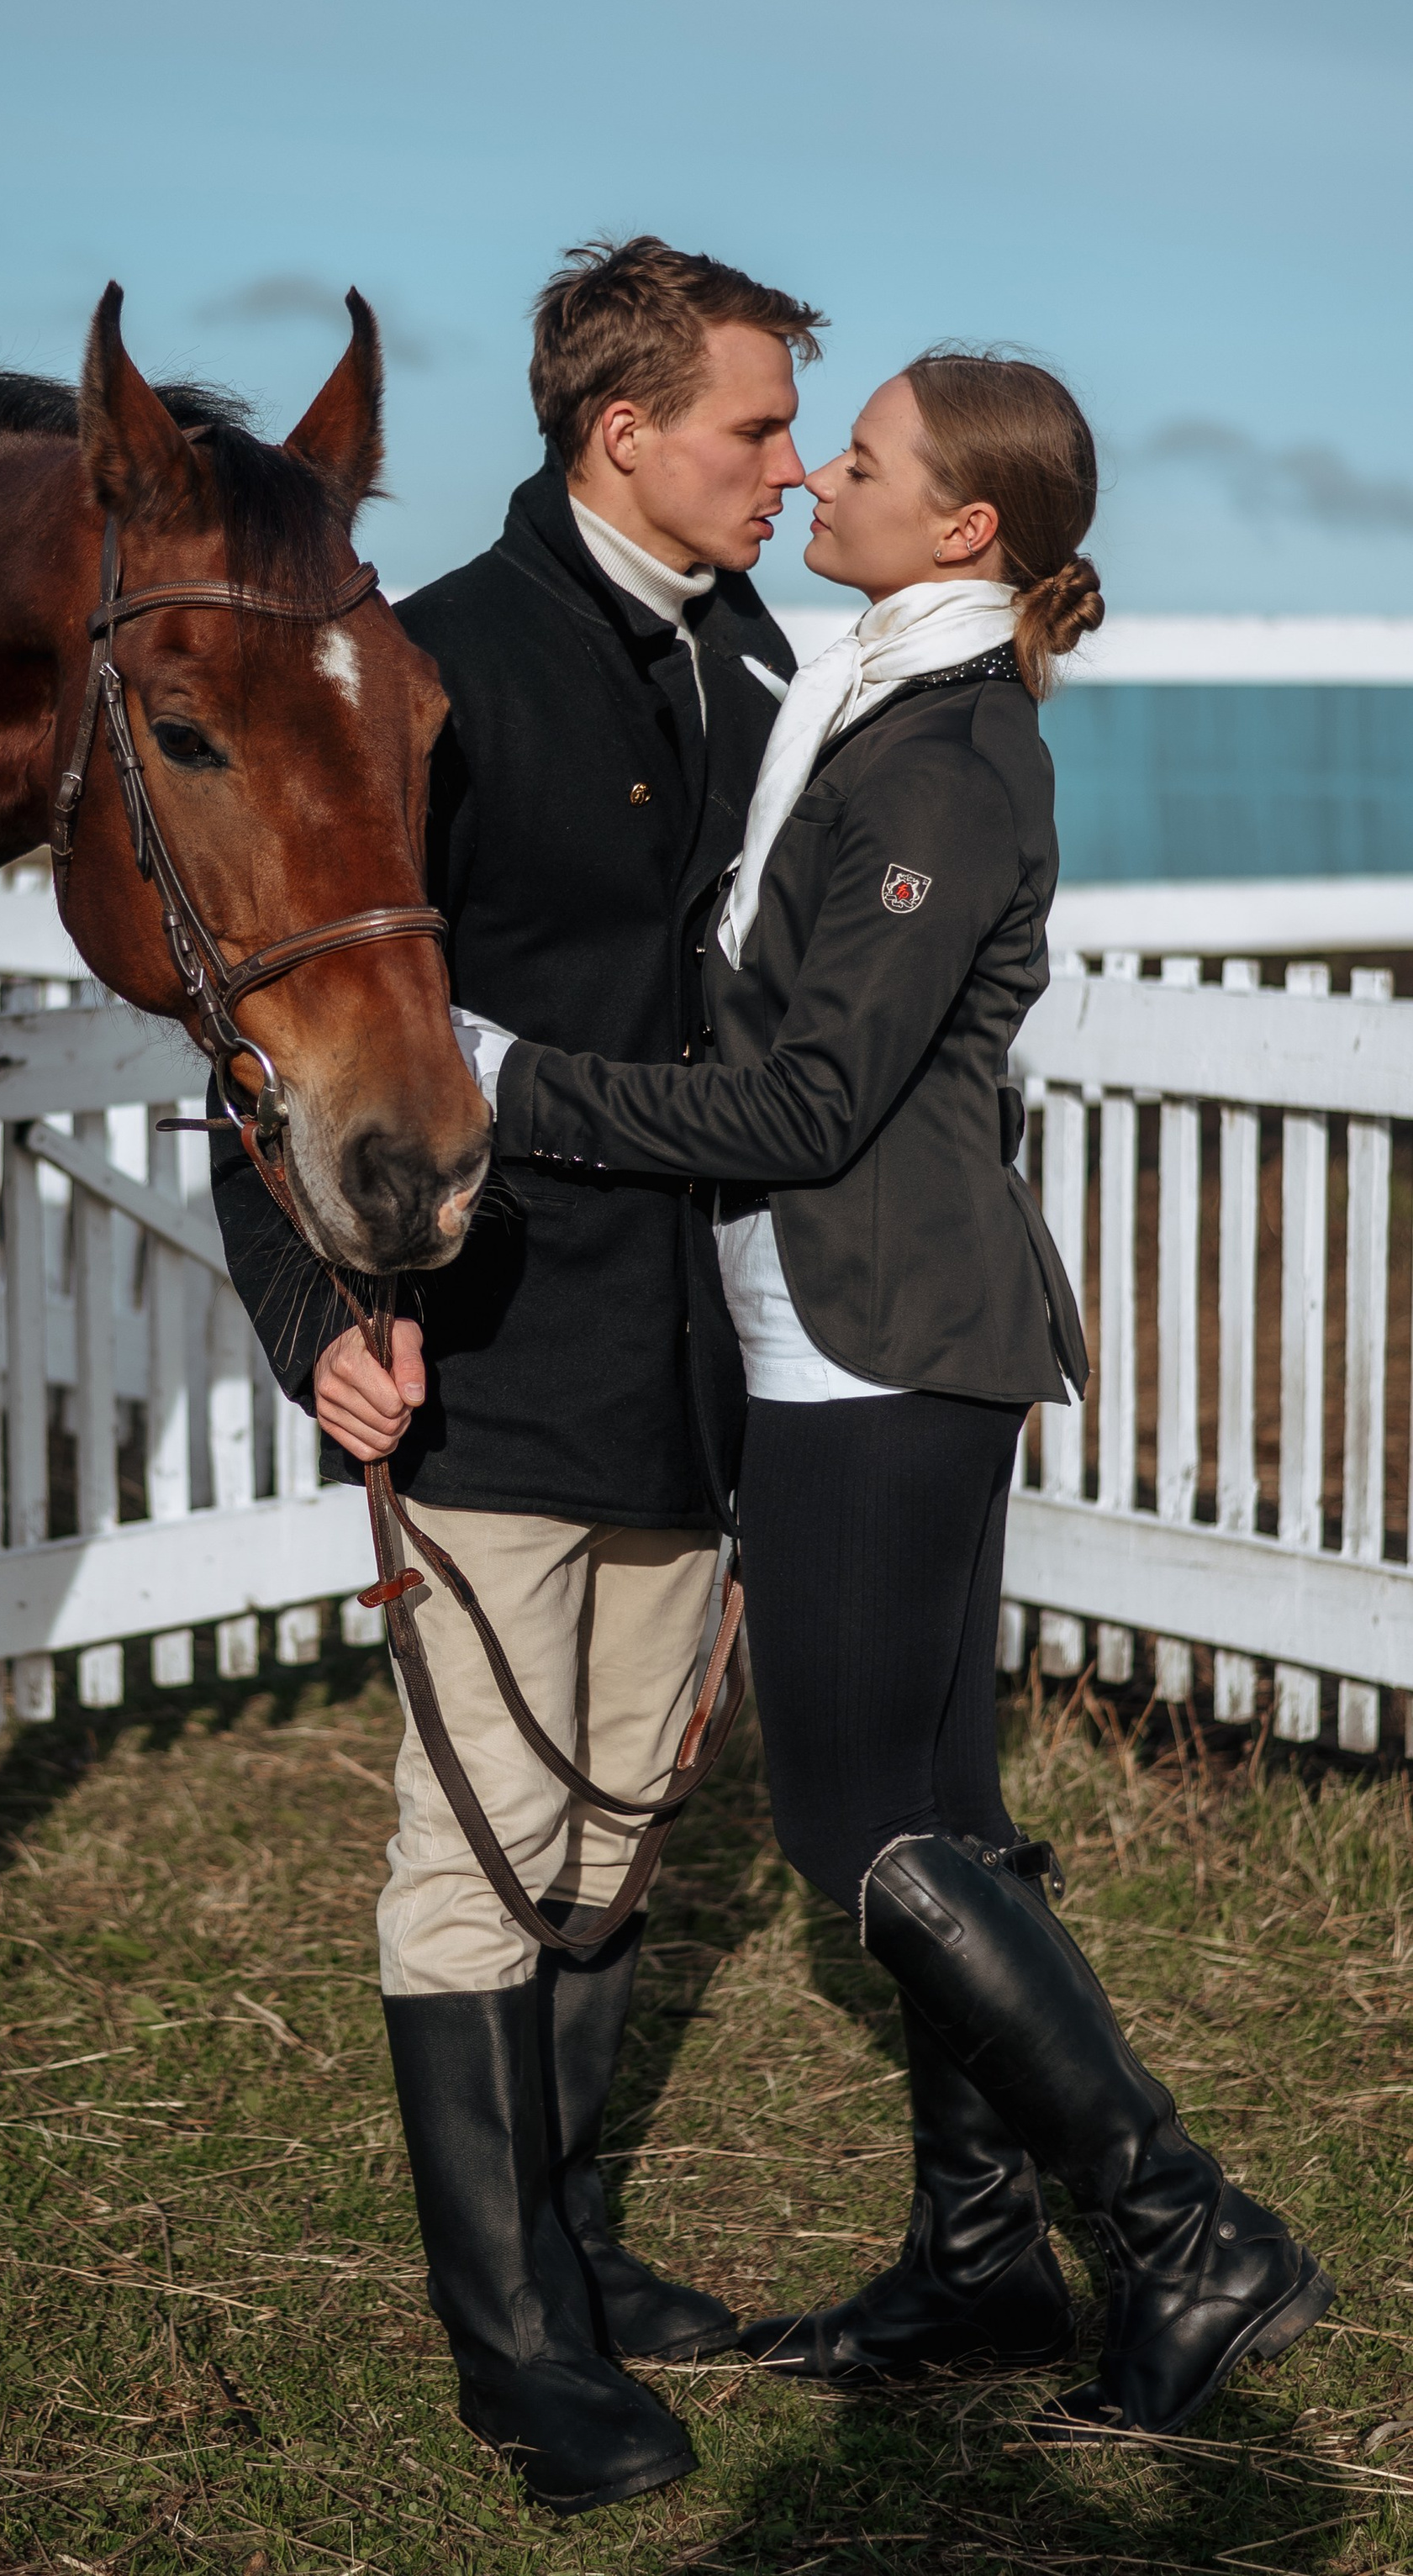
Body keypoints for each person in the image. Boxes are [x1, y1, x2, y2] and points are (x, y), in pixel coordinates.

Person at [463, 349, 1334, 2441]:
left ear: (962, 526)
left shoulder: (939, 757)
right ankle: (976, 2260)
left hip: (882, 1331)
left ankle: (1184, 2227)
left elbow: (810, 1098)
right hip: (848, 1320)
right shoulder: (864, 701)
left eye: (852, 458)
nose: (811, 478)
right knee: (938, 1814)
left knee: (852, 1819)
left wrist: (507, 1080)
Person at [214, 237, 825, 2515]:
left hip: (697, 1364)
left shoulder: (756, 665)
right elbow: (264, 1050)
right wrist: (314, 1329)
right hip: (482, 1355)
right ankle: (512, 2350)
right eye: (755, 427)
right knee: (476, 1848)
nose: (788, 469)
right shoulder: (434, 666)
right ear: (621, 430)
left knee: (612, 1831)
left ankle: (568, 2247)